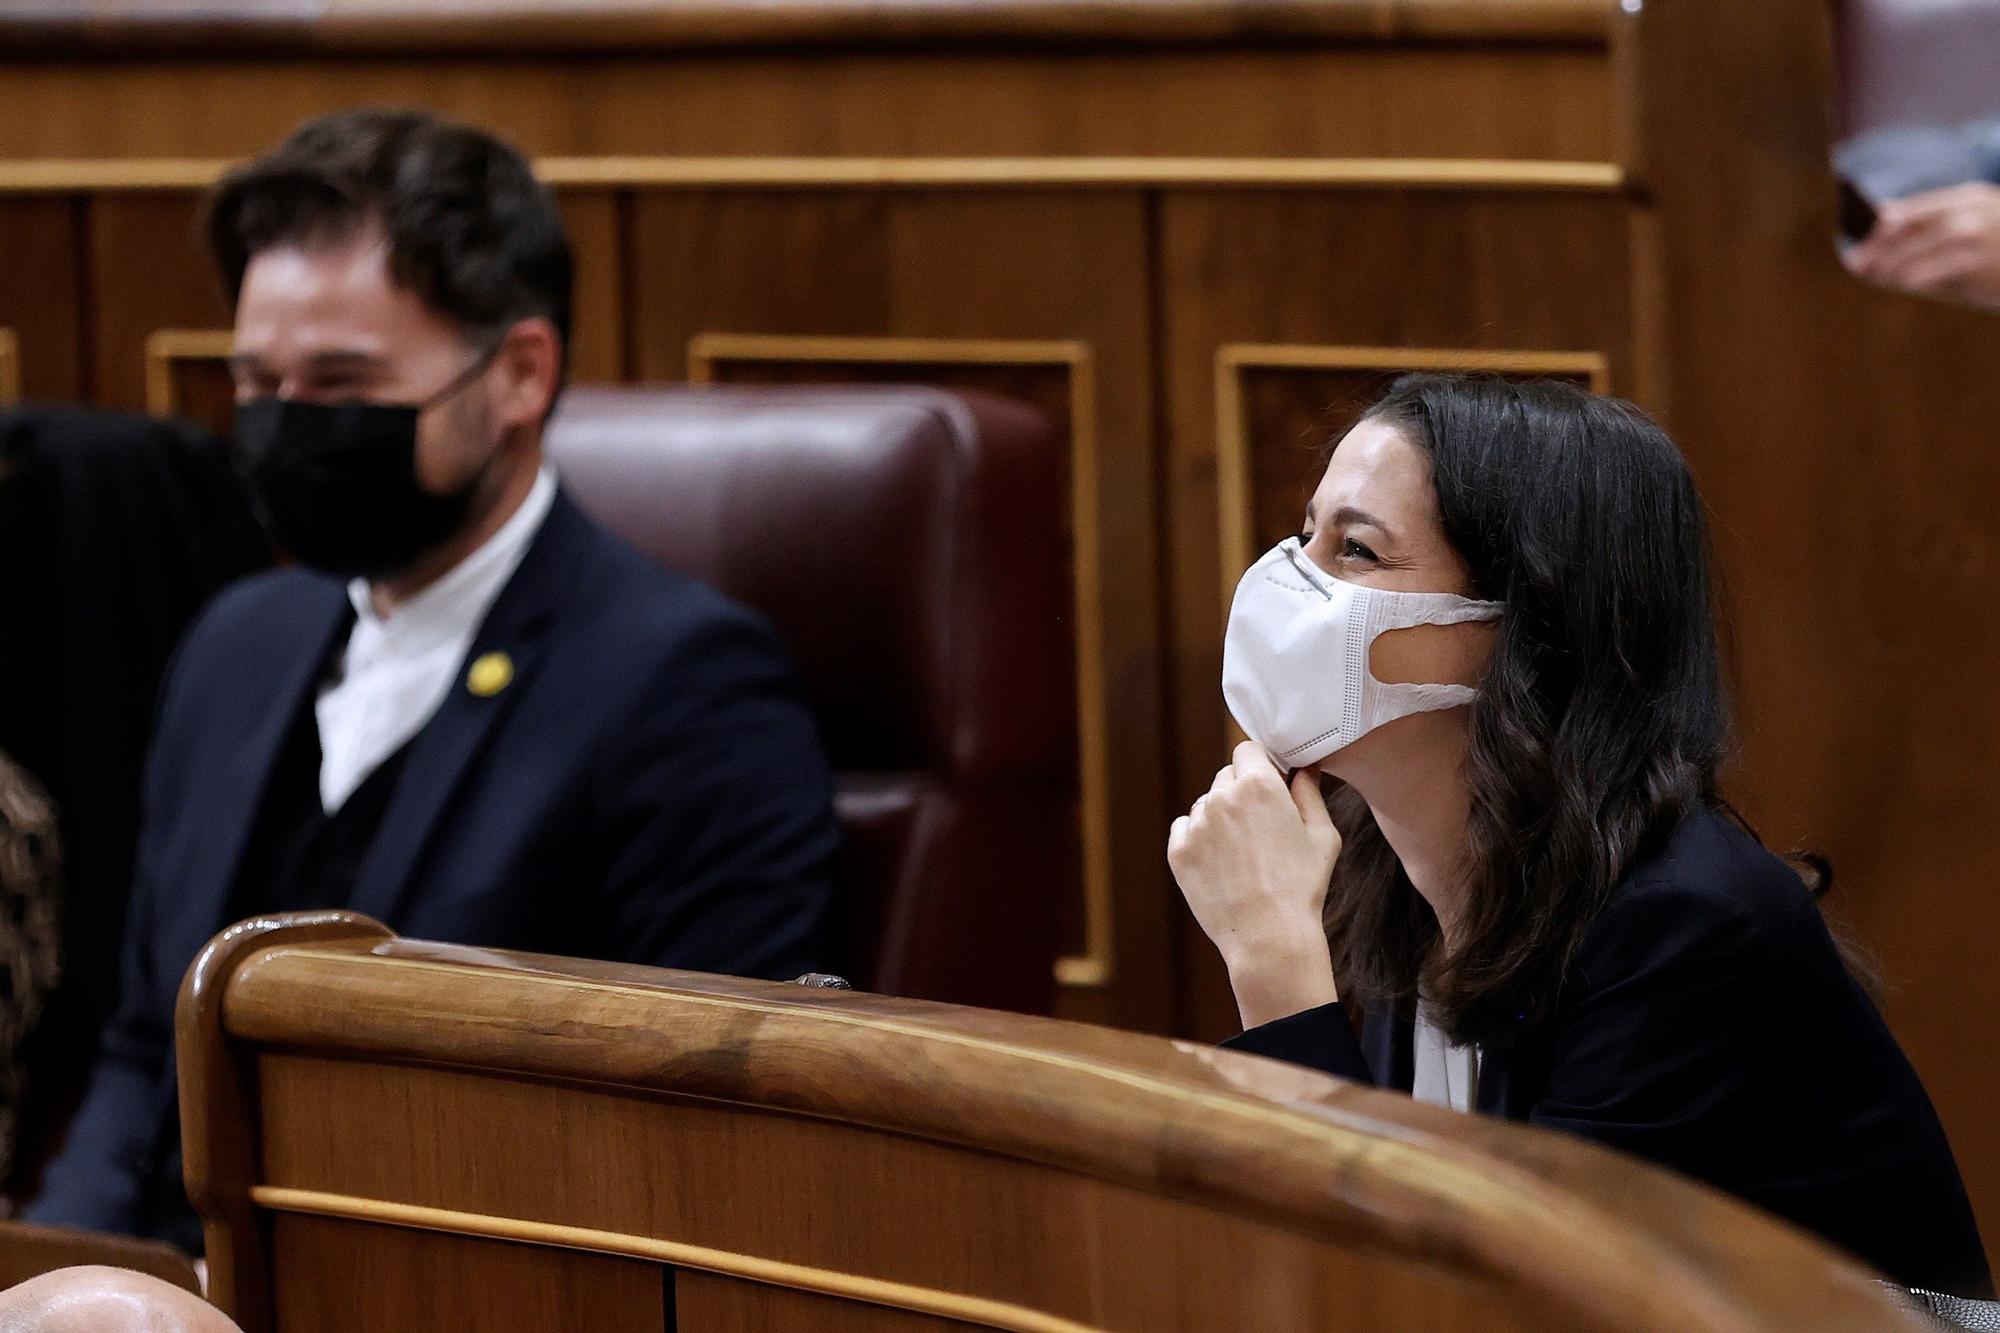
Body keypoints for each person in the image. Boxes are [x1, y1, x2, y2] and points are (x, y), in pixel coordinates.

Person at [25, 109, 839, 1248]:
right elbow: (138, 1054)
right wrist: (58, 1275)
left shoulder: (684, 685)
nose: (284, 428)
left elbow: (698, 1143)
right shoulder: (234, 643)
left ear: (517, 373)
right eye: (258, 383)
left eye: (342, 385)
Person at [1170, 374, 1991, 1297]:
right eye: (1306, 531)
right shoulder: (1396, 869)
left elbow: (1473, 1310)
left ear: (1523, 632)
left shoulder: (1684, 925)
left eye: (1355, 549)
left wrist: (1277, 972)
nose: (1287, 579)